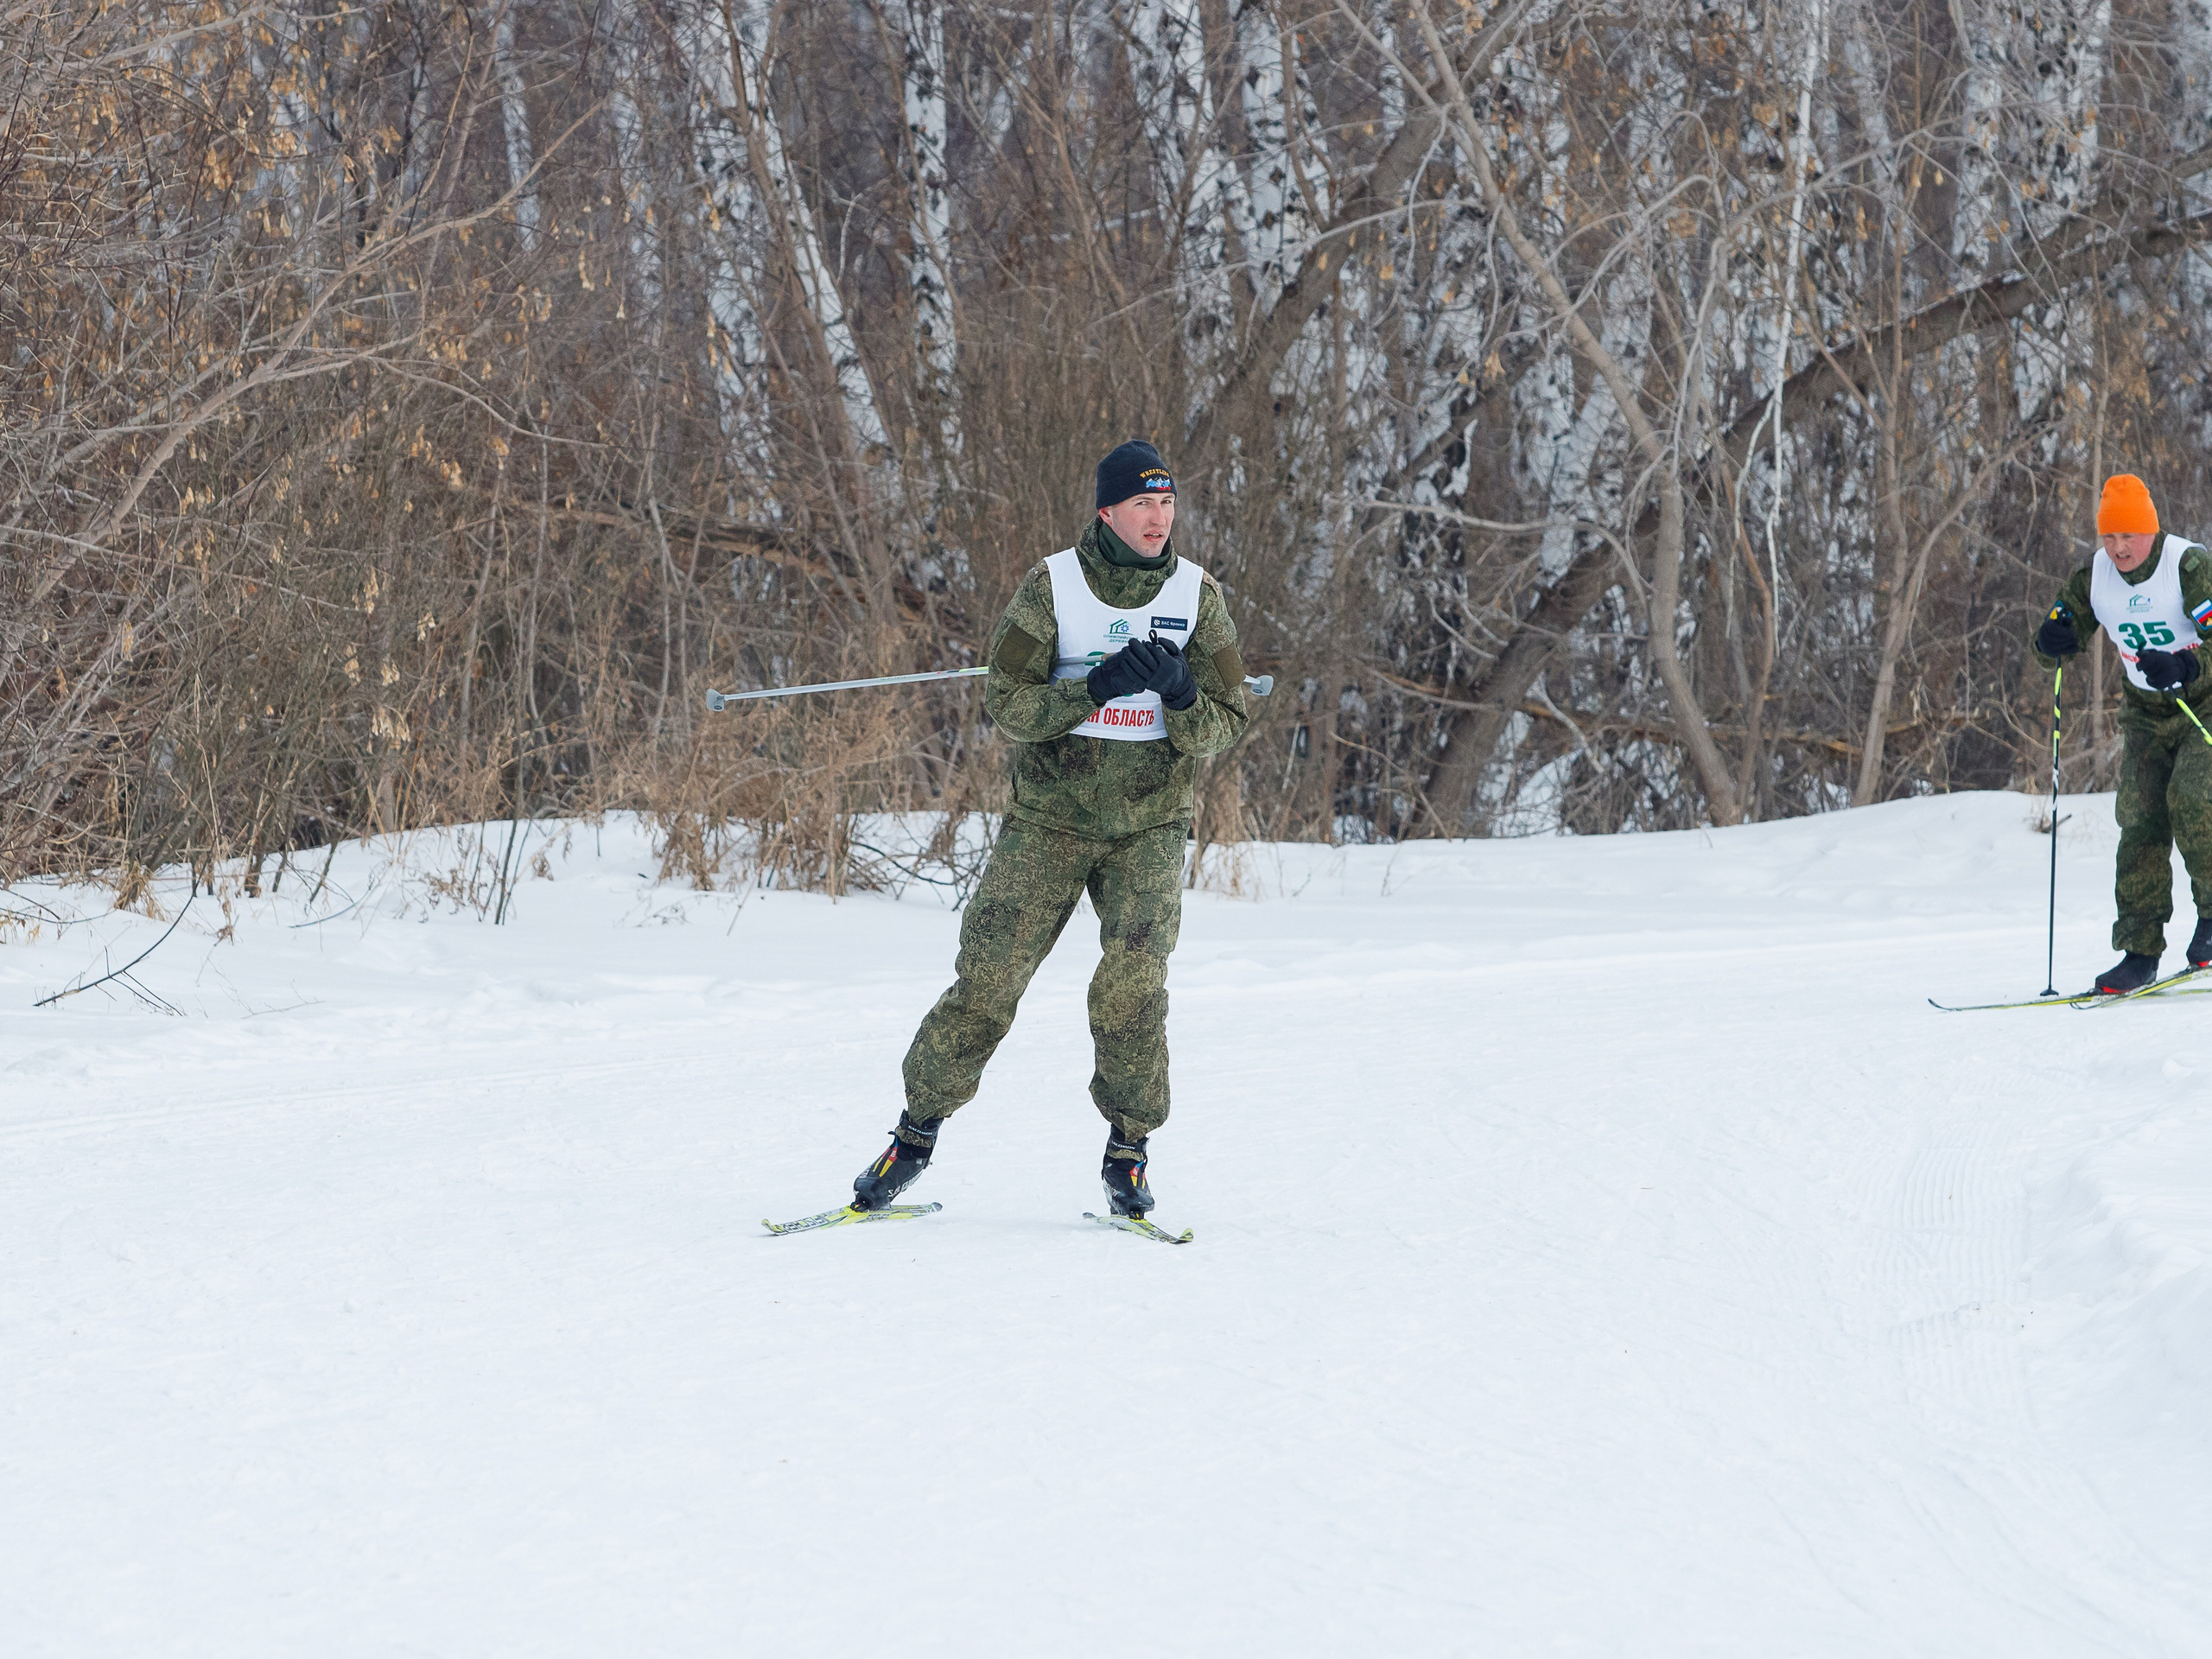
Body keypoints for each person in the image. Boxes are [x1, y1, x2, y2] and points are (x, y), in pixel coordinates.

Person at [846, 440, 1250, 1218]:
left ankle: (1128, 1151)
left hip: (1150, 825)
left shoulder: (1201, 596)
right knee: (989, 979)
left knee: (1133, 988)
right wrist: (1093, 687)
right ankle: (915, 1135)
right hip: (1050, 821)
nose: (1159, 519)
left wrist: (1180, 691)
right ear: (1108, 511)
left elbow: (1225, 726)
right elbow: (1008, 703)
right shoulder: (1053, 586)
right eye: (1143, 504)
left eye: (1168, 505)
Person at [2033, 473, 2212, 991]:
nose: (2119, 548)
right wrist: (2050, 641)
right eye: (2110, 537)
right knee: (2139, 820)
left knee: (2194, 799)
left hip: (2202, 707)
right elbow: (2051, 644)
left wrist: (2186, 665)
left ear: (2150, 532)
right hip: (2144, 715)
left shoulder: (2188, 567)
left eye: (2129, 536)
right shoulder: (2095, 576)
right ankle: (2139, 950)